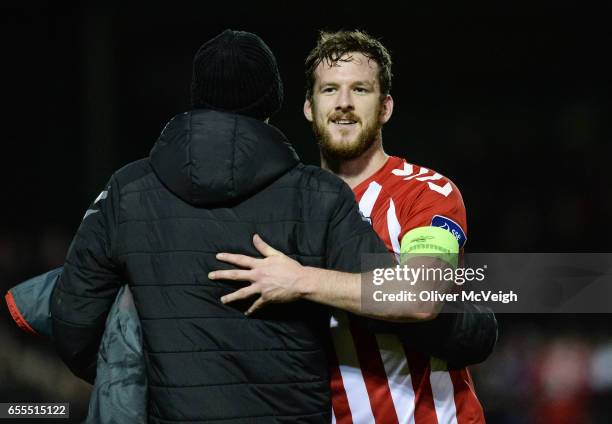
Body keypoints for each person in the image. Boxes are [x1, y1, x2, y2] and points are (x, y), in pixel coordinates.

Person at [49, 29, 396, 423]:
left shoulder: (126, 191)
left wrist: (143, 381)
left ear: (198, 95)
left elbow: (73, 324)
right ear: (274, 101)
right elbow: (394, 298)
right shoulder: (321, 195)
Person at [211, 30, 490, 423]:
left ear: (385, 107)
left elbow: (422, 294)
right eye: (329, 90)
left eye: (360, 89)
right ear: (309, 107)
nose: (343, 104)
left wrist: (301, 280)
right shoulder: (281, 203)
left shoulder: (428, 193)